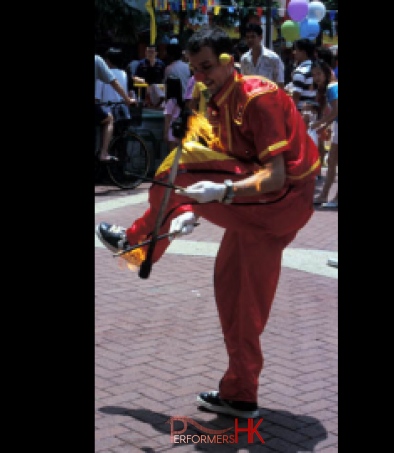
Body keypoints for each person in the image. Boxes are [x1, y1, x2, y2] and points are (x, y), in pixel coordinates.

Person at [95, 26, 320, 419]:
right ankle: (240, 392)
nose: (199, 77)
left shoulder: (257, 96)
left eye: (206, 68)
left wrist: (223, 195)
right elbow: (219, 161)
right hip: (259, 206)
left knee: (176, 174)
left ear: (229, 62)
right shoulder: (214, 97)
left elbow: (277, 175)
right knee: (233, 294)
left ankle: (137, 244)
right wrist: (190, 211)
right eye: (194, 70)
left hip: (279, 201)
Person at [94, 54, 135, 162]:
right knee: (109, 119)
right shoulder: (97, 61)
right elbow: (114, 82)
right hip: (119, 111)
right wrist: (127, 99)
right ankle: (103, 153)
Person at [310, 59, 338, 208]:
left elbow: (336, 111)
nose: (316, 78)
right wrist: (324, 125)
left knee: (333, 161)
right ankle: (325, 195)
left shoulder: (332, 87)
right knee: (332, 161)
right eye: (314, 75)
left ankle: (327, 196)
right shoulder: (330, 87)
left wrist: (319, 124)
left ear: (326, 73)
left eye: (319, 74)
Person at [240, 23, 285, 88]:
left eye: (253, 37)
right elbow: (244, 82)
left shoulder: (273, 58)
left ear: (260, 37)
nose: (250, 40)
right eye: (247, 37)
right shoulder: (244, 59)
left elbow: (280, 83)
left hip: (269, 96)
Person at [95, 48, 131, 120]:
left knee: (108, 122)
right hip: (123, 112)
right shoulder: (124, 74)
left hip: (106, 111)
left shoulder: (101, 74)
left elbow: (96, 97)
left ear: (107, 60)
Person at [287, 38, 317, 112]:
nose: (294, 52)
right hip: (314, 112)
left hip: (301, 113)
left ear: (303, 52)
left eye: (296, 50)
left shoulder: (300, 72)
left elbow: (296, 97)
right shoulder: (317, 69)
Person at [163, 76, 185, 152]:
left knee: (172, 156)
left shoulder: (170, 101)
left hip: (171, 131)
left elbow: (167, 118)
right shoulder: (180, 102)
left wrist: (165, 133)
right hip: (178, 131)